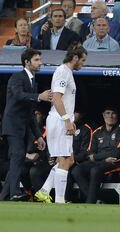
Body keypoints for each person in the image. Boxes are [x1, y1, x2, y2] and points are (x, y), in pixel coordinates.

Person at [34, 45, 88, 204]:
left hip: (62, 119)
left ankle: (44, 191)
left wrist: (69, 119)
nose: (83, 64)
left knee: (69, 160)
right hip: (58, 120)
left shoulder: (67, 72)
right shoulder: (63, 72)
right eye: (83, 60)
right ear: (75, 58)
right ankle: (59, 201)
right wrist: (66, 120)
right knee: (64, 160)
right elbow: (56, 98)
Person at [0, 49, 52, 201]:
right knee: (17, 156)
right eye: (36, 60)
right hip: (13, 125)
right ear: (27, 62)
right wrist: (38, 96)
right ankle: (15, 192)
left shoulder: (33, 81)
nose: (40, 63)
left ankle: (4, 197)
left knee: (18, 160)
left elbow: (30, 114)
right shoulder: (17, 77)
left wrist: (39, 136)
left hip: (23, 128)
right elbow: (18, 95)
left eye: (39, 59)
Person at [71, 107, 120, 203]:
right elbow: (90, 154)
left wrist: (96, 157)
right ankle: (97, 198)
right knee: (76, 170)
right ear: (103, 115)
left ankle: (90, 202)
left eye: (113, 113)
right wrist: (103, 159)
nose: (110, 116)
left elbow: (117, 153)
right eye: (107, 113)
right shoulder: (97, 132)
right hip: (102, 162)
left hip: (116, 163)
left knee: (95, 170)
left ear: (117, 116)